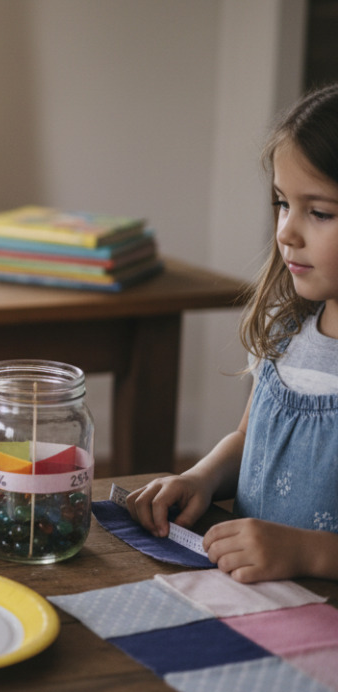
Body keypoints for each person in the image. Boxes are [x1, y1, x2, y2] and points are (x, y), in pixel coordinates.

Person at [125, 83, 338, 583]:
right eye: (283, 203)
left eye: (321, 212)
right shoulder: (288, 334)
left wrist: (310, 553)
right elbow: (249, 437)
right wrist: (202, 477)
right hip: (252, 605)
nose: (286, 230)